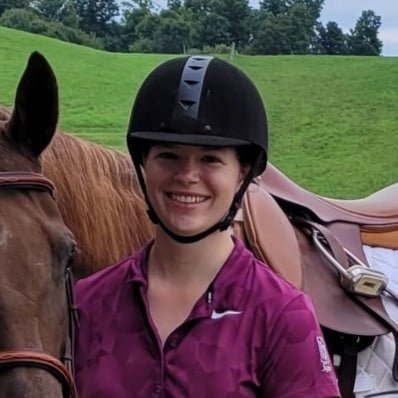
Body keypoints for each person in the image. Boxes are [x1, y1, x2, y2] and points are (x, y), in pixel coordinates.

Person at [74, 55, 341, 398]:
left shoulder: (282, 315)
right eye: (168, 155)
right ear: (144, 165)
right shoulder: (85, 303)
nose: (187, 176)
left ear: (242, 173)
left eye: (210, 159)